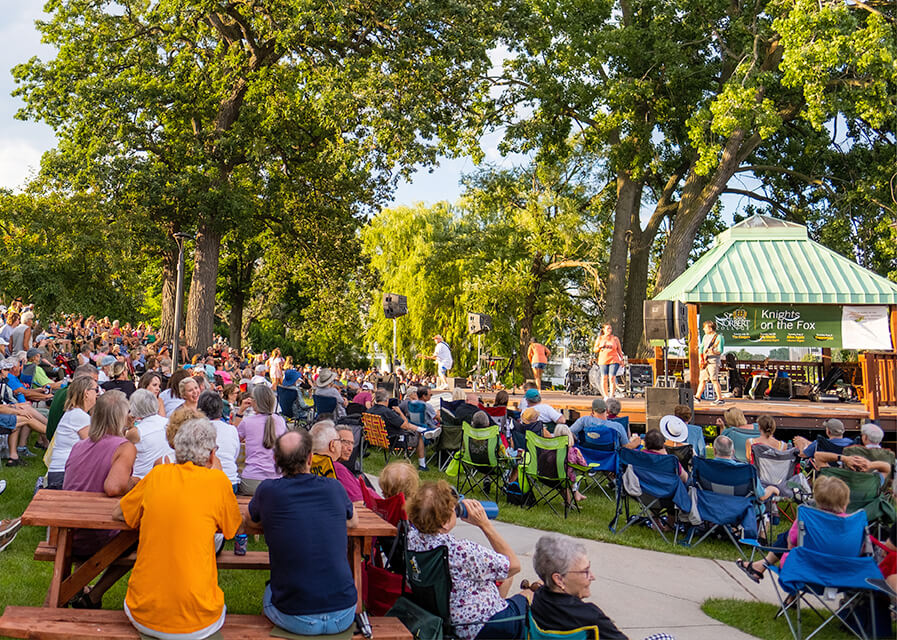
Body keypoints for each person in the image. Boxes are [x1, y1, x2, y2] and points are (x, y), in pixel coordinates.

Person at [115, 418, 242, 639]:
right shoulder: (218, 482)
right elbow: (232, 528)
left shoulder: (157, 475)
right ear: (212, 455)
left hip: (144, 611)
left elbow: (120, 513)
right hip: (200, 619)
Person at [248, 430, 358, 636]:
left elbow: (250, 521)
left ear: (275, 459)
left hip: (296, 617)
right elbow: (353, 521)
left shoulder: (268, 491)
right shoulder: (333, 487)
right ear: (310, 458)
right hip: (344, 613)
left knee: (270, 590)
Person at [406, 480, 524, 639]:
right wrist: (485, 525)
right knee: (529, 596)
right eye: (453, 509)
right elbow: (514, 565)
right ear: (444, 523)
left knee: (504, 579)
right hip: (478, 625)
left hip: (444, 617)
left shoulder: (411, 539)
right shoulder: (461, 551)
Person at [62, 390, 138, 608]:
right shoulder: (124, 447)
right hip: (95, 536)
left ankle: (76, 588)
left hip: (68, 532)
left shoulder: (79, 446)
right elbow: (113, 486)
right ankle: (94, 596)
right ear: (122, 417)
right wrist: (138, 482)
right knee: (144, 534)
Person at [736, 475, 851, 586]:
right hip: (844, 575)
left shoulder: (808, 519)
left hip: (804, 571)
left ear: (818, 502)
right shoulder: (853, 524)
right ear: (845, 504)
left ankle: (763, 568)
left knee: (789, 537)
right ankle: (760, 566)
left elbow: (791, 542)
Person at [530, 534, 628, 639]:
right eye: (585, 571)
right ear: (559, 579)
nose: (592, 576)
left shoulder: (538, 599)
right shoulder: (590, 618)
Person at [46, 376, 98, 488]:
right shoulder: (79, 416)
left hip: (61, 471)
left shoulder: (74, 413)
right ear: (87, 393)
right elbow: (95, 446)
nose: (98, 394)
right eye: (96, 390)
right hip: (64, 474)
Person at [237, 384, 286, 495]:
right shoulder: (280, 421)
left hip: (252, 481)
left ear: (254, 402)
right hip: (276, 480)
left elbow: (235, 439)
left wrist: (240, 412)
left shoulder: (248, 422)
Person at [366, 388, 429, 471]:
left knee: (415, 430)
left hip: (377, 439)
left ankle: (424, 430)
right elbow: (405, 425)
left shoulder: (370, 410)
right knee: (418, 435)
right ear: (386, 399)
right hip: (394, 440)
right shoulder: (387, 412)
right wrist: (400, 412)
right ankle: (422, 465)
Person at [197, 390, 241, 492]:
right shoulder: (231, 429)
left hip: (207, 481)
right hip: (230, 481)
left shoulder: (195, 428)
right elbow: (235, 455)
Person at [712, 435, 779, 502]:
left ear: (714, 451)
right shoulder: (745, 470)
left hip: (711, 508)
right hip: (741, 509)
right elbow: (761, 496)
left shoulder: (706, 467)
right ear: (733, 452)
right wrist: (772, 489)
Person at [310, 420, 363, 503]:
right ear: (332, 445)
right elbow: (358, 503)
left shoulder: (308, 464)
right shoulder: (336, 468)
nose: (350, 448)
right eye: (341, 441)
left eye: (352, 443)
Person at [128, 389, 173, 479]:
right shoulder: (169, 423)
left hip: (142, 477)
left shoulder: (136, 432)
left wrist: (128, 425)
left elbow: (121, 448)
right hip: (166, 474)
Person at [569, 397, 639, 448]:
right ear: (606, 411)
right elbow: (626, 446)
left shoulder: (584, 420)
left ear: (593, 411)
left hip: (587, 458)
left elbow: (568, 432)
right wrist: (637, 441)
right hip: (609, 461)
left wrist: (576, 440)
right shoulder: (617, 426)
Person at [552, 424, 588, 502]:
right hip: (566, 479)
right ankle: (575, 494)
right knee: (568, 473)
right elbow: (584, 465)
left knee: (564, 471)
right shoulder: (573, 451)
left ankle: (570, 501)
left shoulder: (550, 450)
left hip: (549, 477)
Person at [694, 320, 724, 405]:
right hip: (705, 361)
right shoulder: (705, 337)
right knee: (702, 379)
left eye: (705, 327)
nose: (704, 329)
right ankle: (697, 397)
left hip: (713, 361)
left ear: (710, 328)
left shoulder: (718, 337)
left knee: (714, 379)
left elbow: (720, 350)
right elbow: (701, 348)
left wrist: (713, 352)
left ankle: (720, 398)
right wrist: (700, 358)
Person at [592, 324, 624, 400]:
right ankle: (606, 396)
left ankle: (611, 395)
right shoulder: (600, 338)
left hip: (614, 360)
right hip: (603, 360)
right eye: (607, 328)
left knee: (612, 377)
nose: (609, 330)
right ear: (603, 330)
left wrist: (622, 360)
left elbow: (619, 350)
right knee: (604, 377)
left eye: (610, 328)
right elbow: (595, 349)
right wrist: (600, 346)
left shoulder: (615, 339)